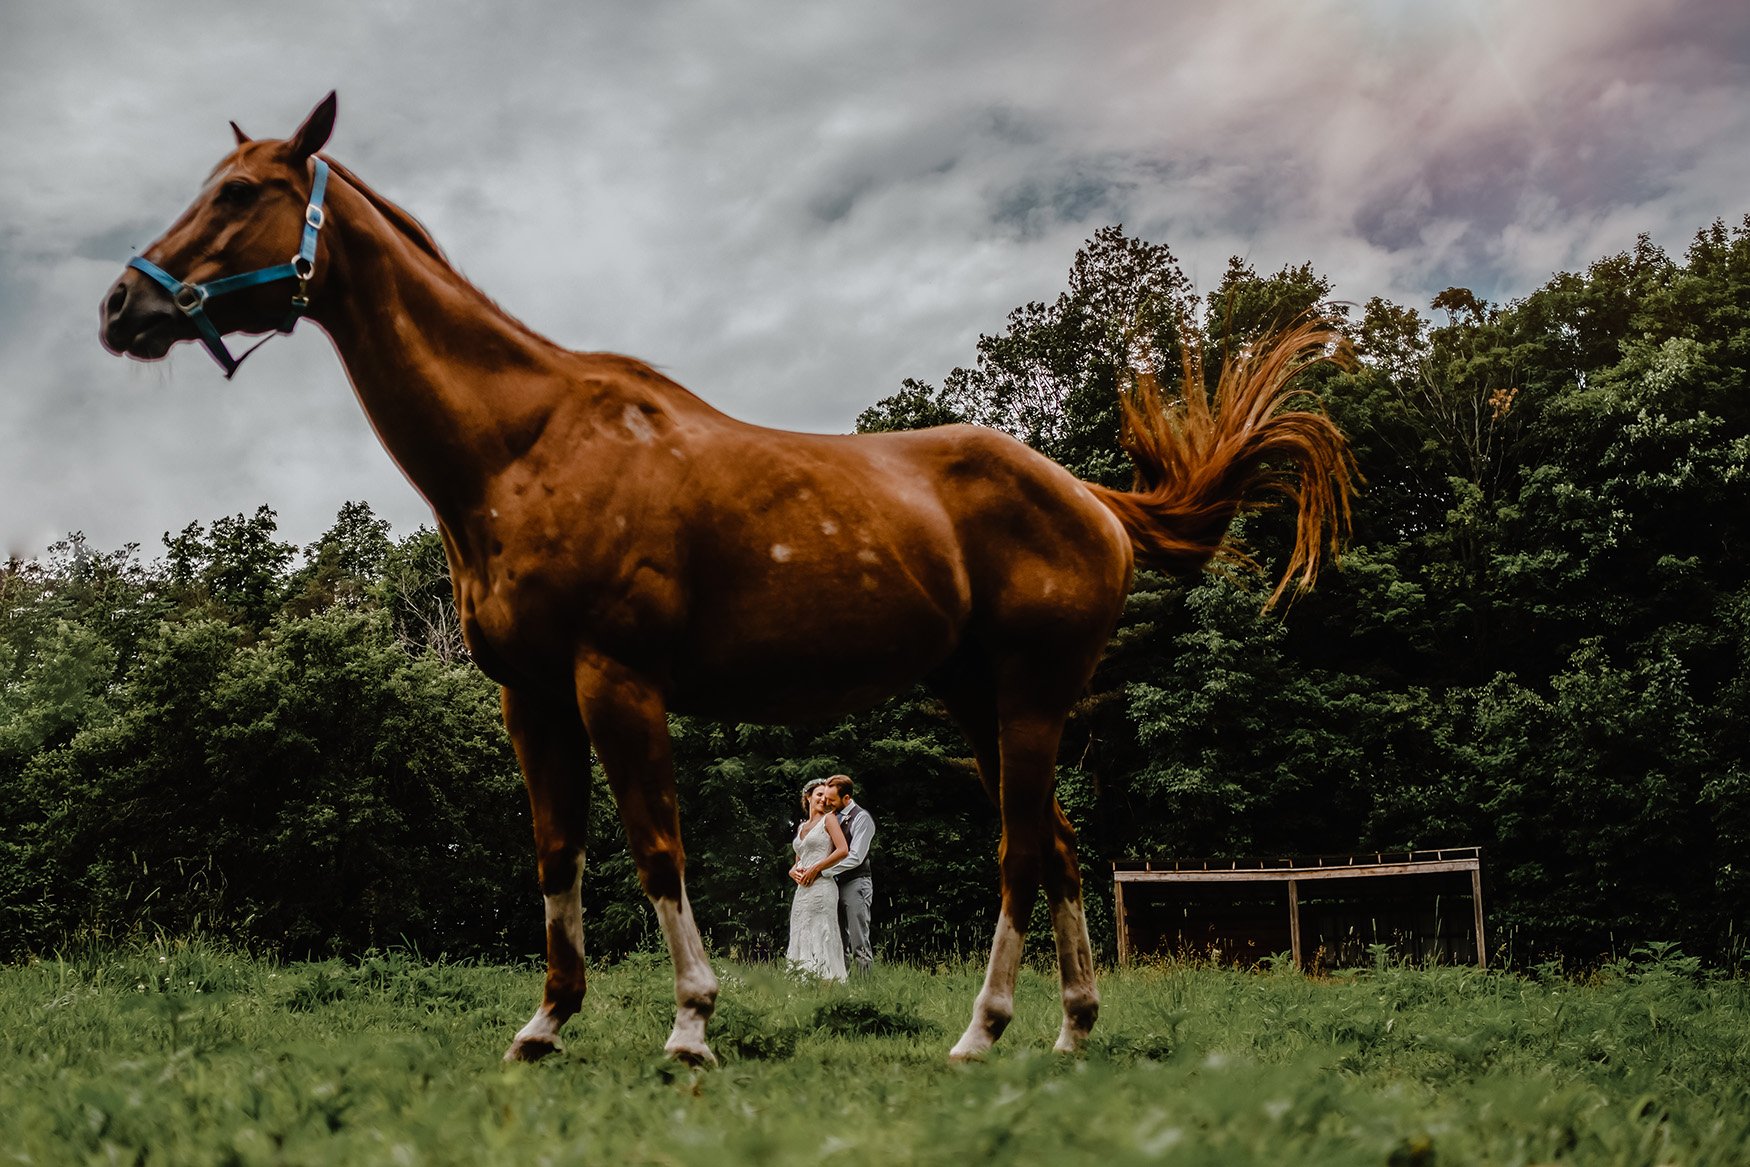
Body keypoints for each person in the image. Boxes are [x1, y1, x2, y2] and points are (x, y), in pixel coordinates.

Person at [785, 780, 849, 980]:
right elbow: (799, 860)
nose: (823, 799)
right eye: (819, 794)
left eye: (827, 796)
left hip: (822, 887)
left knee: (822, 932)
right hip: (802, 890)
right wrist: (792, 872)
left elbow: (843, 850)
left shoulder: (829, 820)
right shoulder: (802, 826)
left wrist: (817, 868)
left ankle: (827, 980)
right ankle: (802, 979)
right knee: (801, 931)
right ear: (808, 797)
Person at [822, 774, 876, 974]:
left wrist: (826, 871)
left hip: (856, 883)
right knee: (838, 938)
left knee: (858, 938)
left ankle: (864, 986)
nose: (827, 802)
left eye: (832, 799)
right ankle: (842, 983)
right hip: (834, 885)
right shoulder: (832, 817)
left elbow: (856, 856)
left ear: (846, 798)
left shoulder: (862, 818)